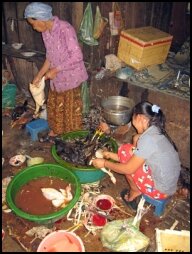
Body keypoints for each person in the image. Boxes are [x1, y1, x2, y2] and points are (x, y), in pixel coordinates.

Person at [93, 101, 181, 210]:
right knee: (130, 148)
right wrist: (111, 155)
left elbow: (128, 168)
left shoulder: (147, 139)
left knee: (126, 156)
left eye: (132, 118)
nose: (132, 121)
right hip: (169, 184)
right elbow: (136, 152)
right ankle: (137, 187)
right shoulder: (155, 131)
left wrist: (105, 163)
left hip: (159, 190)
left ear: (140, 118)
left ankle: (135, 191)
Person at [24, 2, 88, 137]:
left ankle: (71, 136)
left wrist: (56, 70)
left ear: (41, 19)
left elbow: (77, 56)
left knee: (70, 110)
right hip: (57, 78)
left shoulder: (65, 29)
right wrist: (39, 75)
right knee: (54, 106)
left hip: (71, 77)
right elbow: (50, 56)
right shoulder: (46, 32)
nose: (34, 28)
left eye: (33, 24)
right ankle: (57, 131)